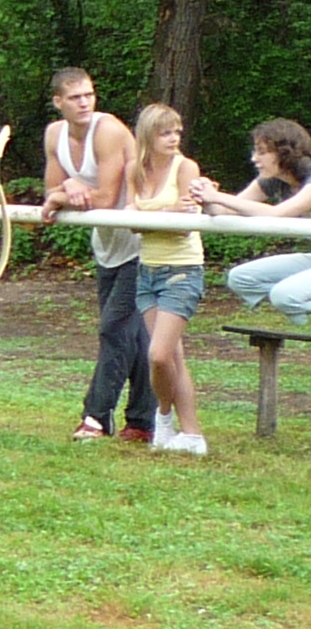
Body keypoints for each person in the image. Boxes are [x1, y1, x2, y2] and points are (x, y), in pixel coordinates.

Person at [41, 69, 157, 443]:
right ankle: (143, 420)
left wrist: (65, 193)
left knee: (113, 327)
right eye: (75, 97)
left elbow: (105, 198)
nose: (84, 103)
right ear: (58, 102)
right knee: (133, 334)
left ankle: (96, 416)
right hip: (108, 245)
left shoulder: (107, 130)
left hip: (142, 243)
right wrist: (67, 186)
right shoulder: (55, 134)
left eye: (89, 95)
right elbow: (50, 190)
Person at [128, 103, 208, 455]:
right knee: (172, 356)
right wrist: (165, 213)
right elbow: (131, 224)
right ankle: (191, 434)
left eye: (177, 132)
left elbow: (185, 225)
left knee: (159, 355)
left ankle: (162, 416)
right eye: (165, 133)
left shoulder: (185, 167)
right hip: (147, 270)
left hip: (181, 270)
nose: (173, 138)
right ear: (148, 136)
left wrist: (154, 217)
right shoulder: (135, 170)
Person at [192, 119, 311, 320]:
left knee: (284, 295)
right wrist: (205, 196)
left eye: (262, 152)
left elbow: (277, 214)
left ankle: (292, 301)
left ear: (285, 153)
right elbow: (225, 210)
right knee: (241, 278)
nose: (254, 158)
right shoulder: (272, 180)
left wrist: (218, 196)